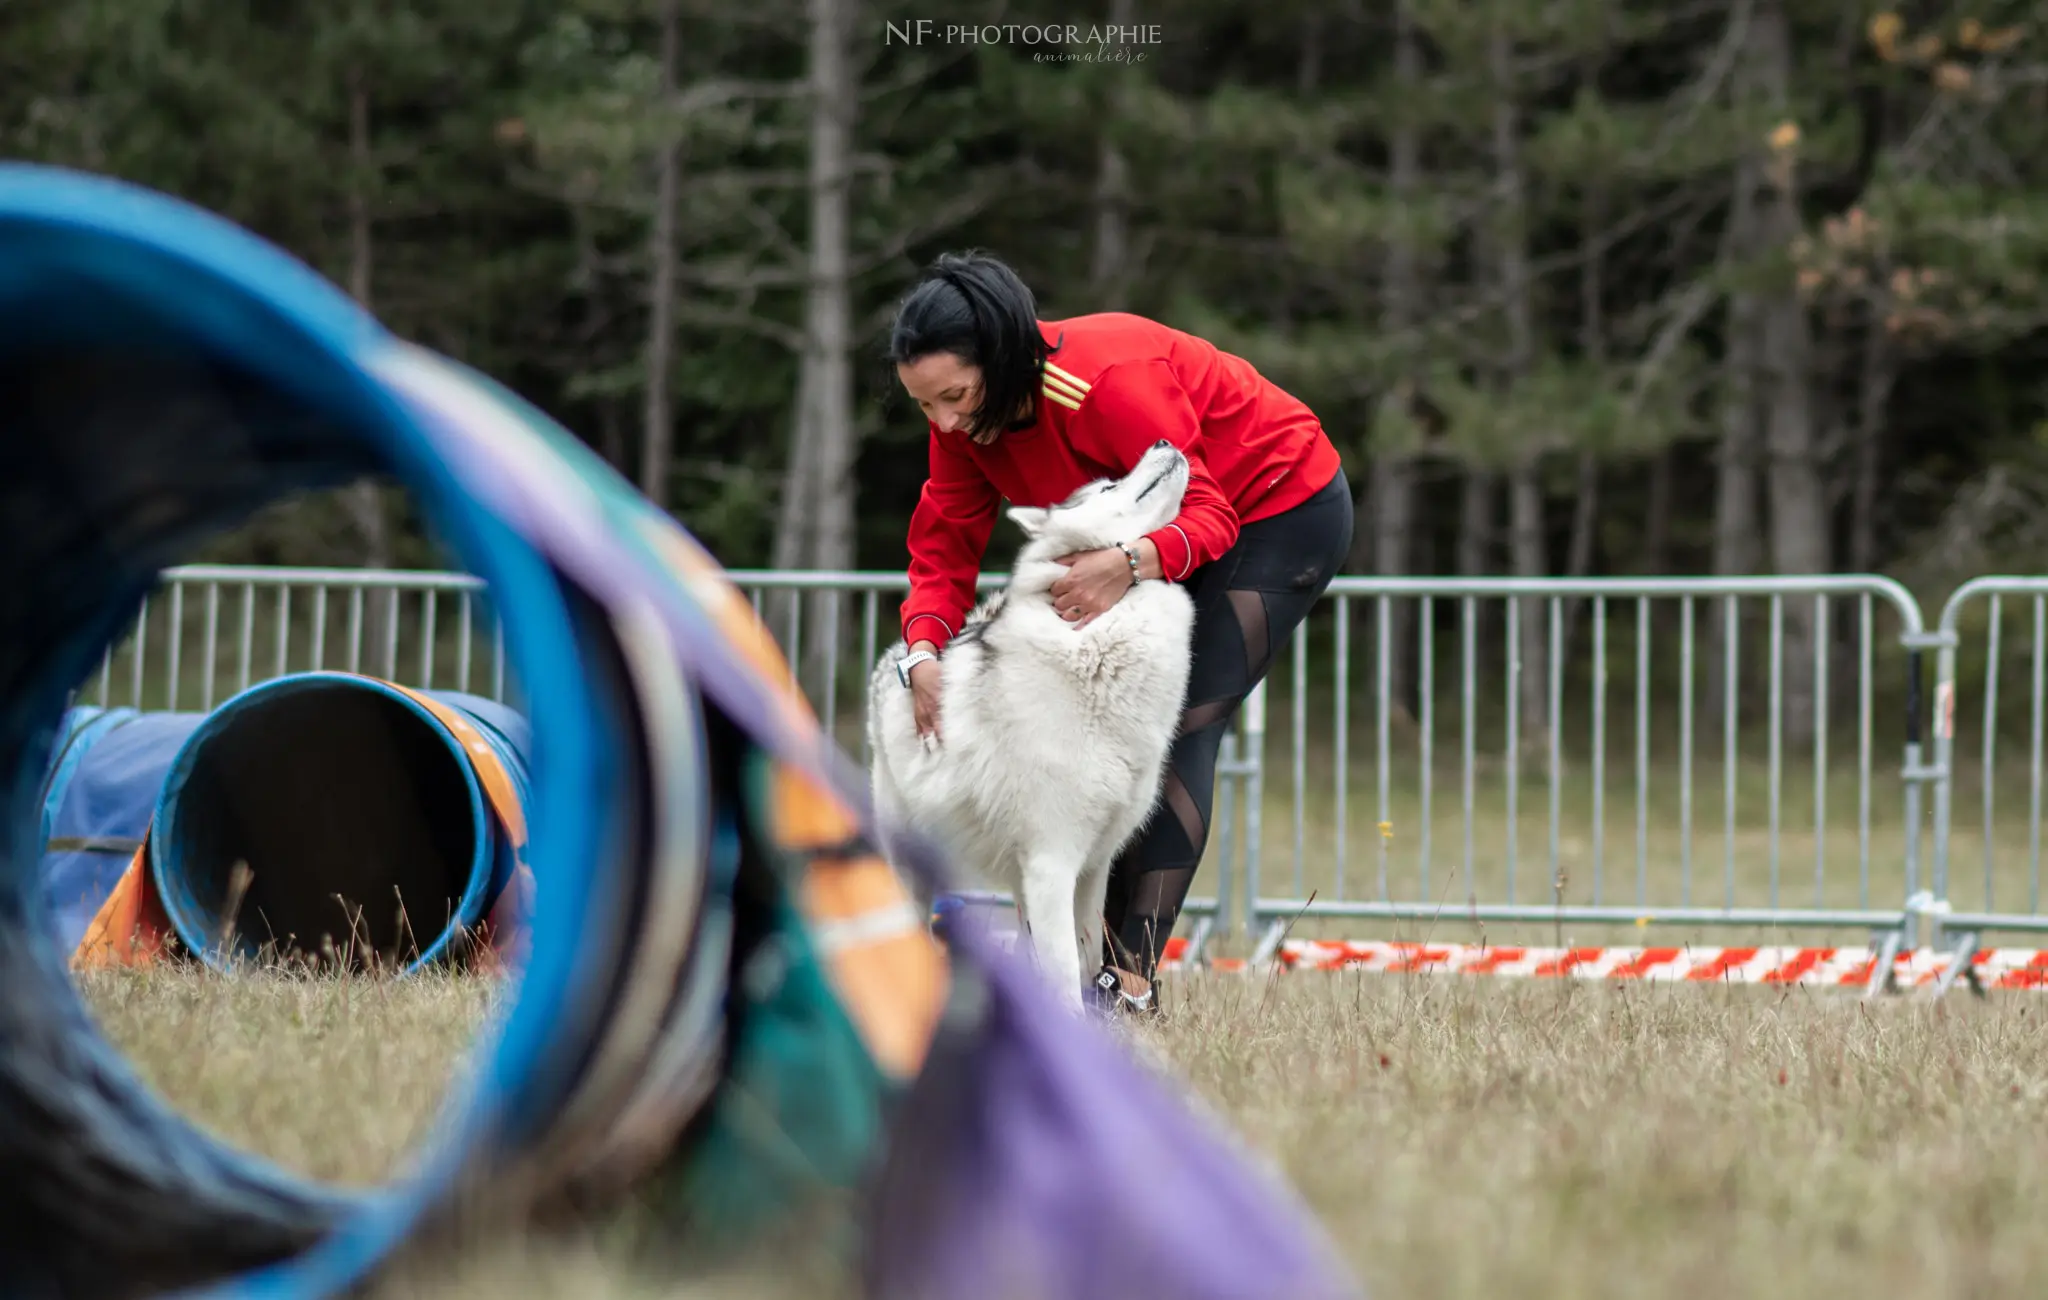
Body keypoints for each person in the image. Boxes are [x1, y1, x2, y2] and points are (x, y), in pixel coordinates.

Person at [886, 249, 1354, 1014]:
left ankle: (1126, 982)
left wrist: (1128, 563)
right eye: (925, 404)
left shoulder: (1107, 383)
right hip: (1157, 541)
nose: (945, 421)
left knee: (1184, 722)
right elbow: (942, 547)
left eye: (957, 396)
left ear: (1001, 362)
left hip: (1278, 504)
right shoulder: (962, 426)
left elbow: (1210, 515)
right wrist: (924, 652)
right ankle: (1074, 968)